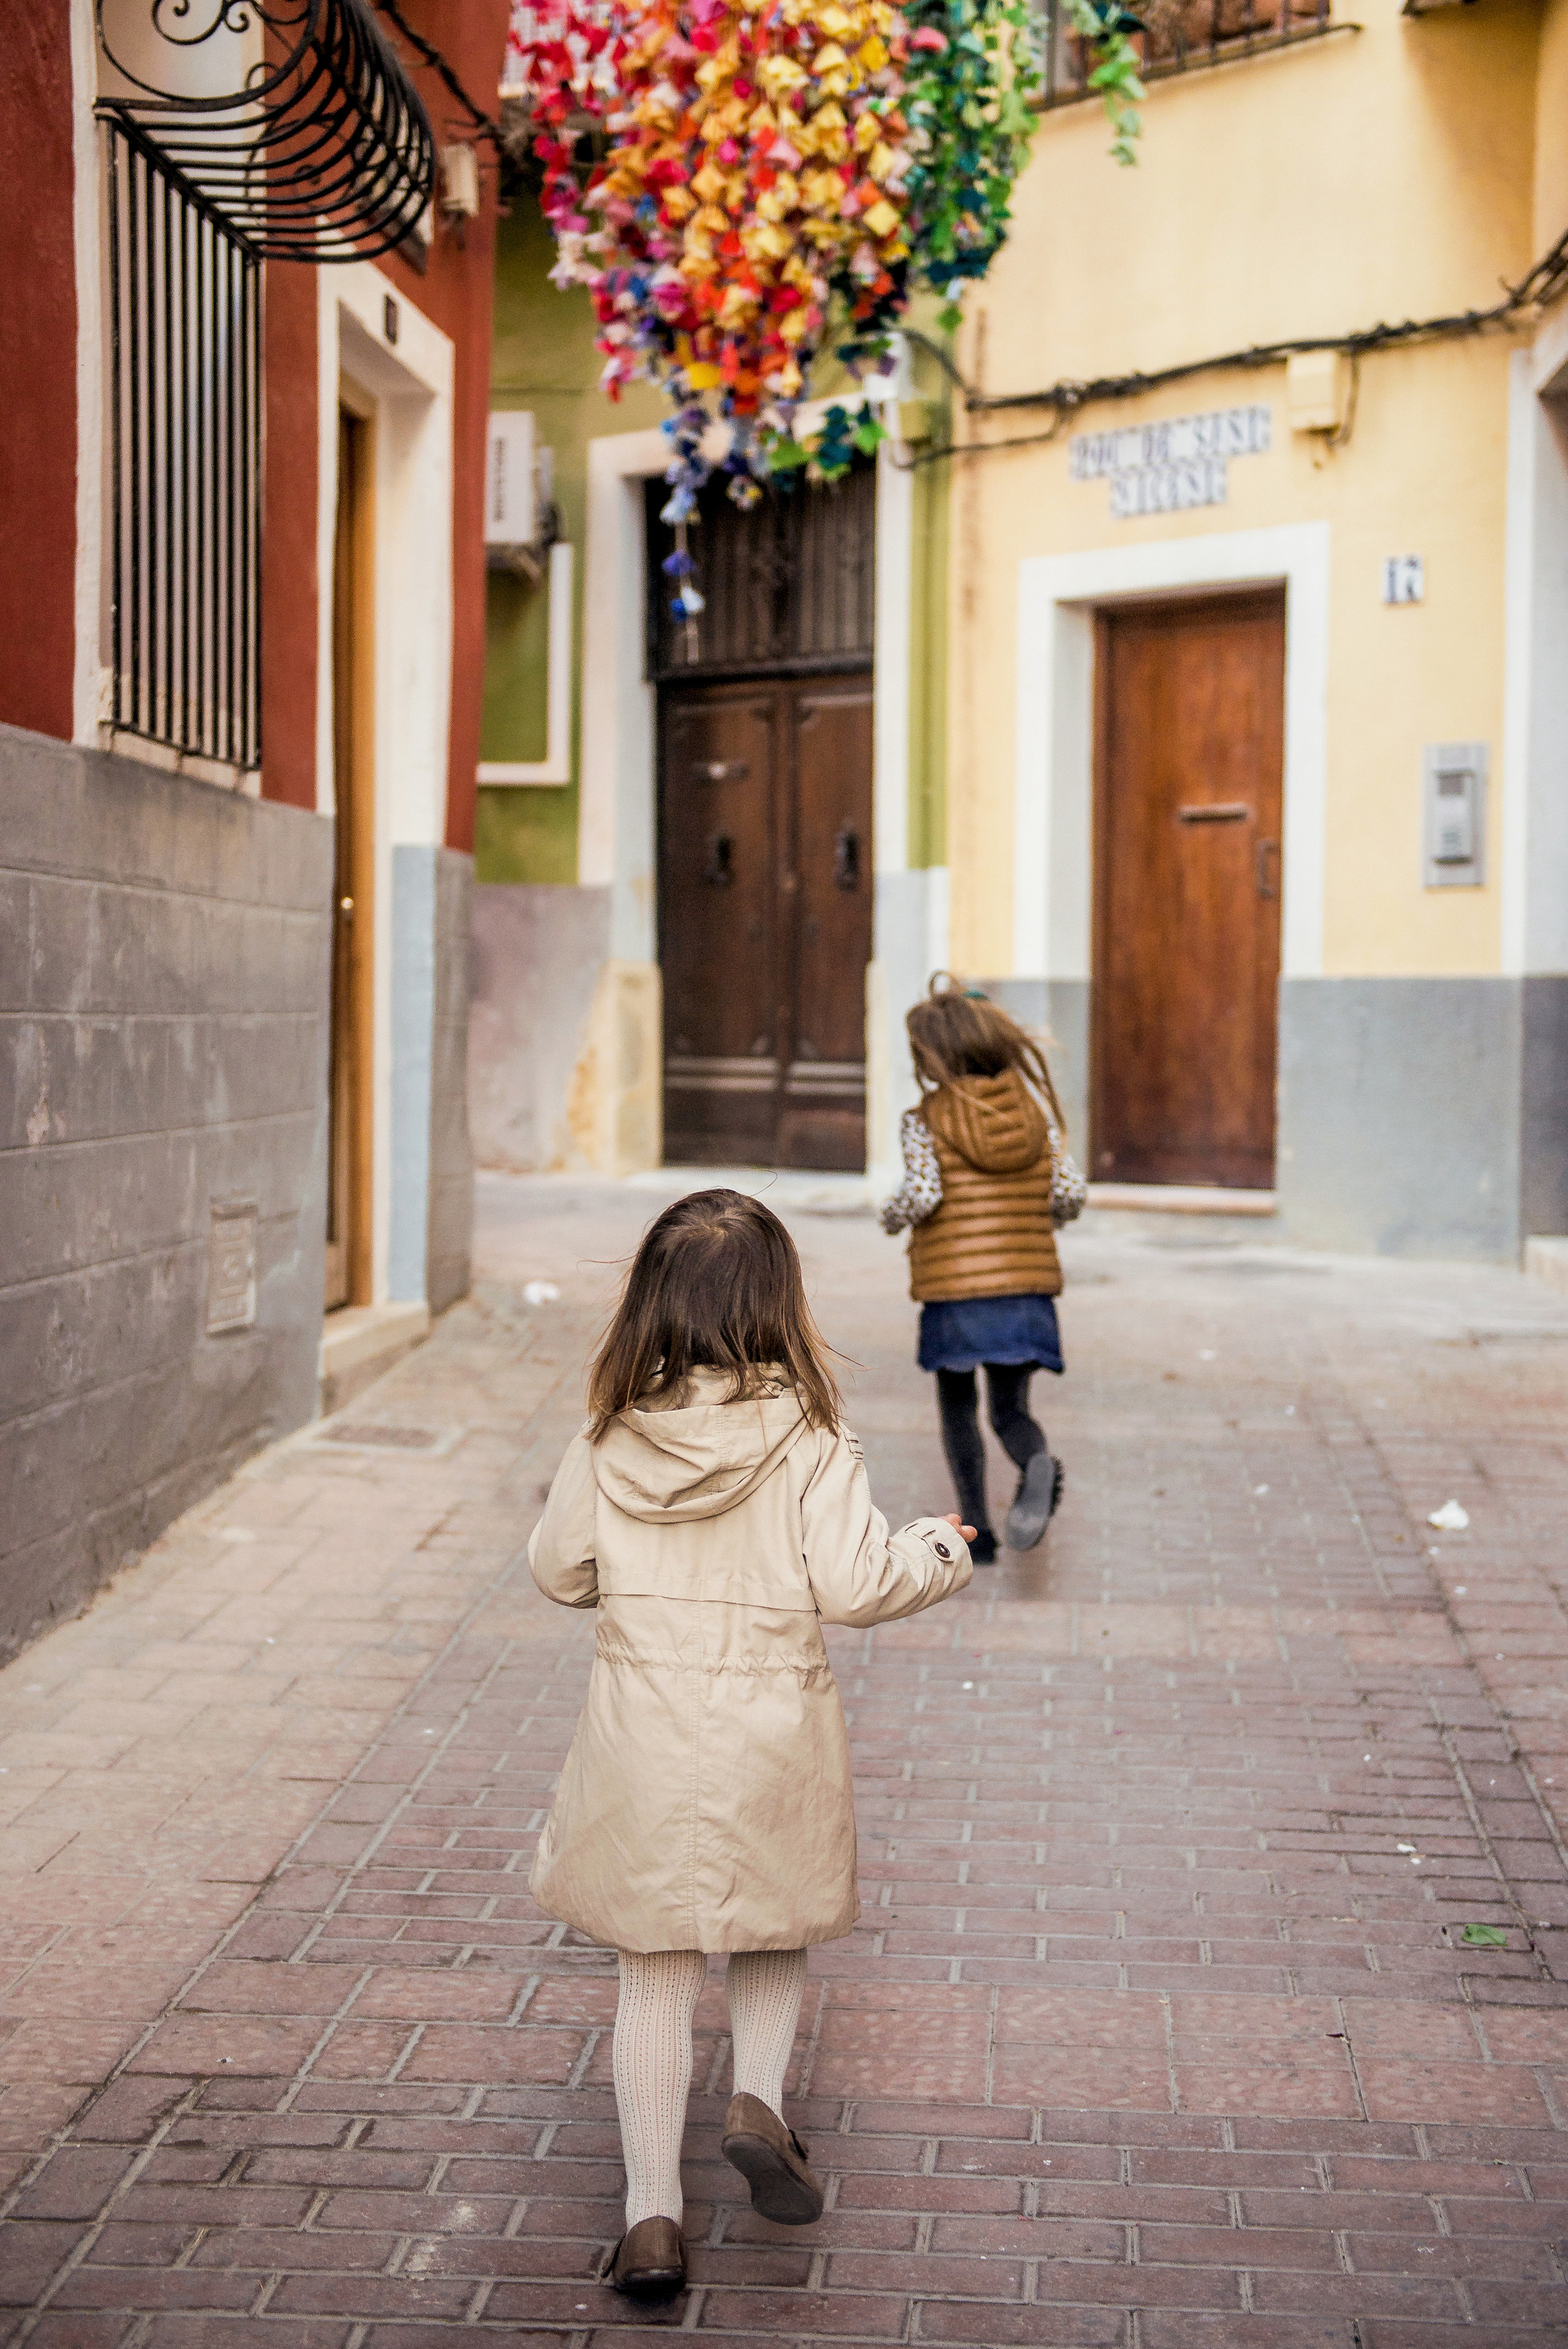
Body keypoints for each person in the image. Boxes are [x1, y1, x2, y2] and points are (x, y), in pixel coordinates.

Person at [527, 1189, 973, 2301]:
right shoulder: (811, 1434)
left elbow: (557, 1568)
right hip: (773, 1727)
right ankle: (759, 2101)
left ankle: (649, 2219)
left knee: (654, 1967)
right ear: (779, 1301)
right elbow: (859, 1583)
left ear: (650, 1302)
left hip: (641, 1728)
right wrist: (940, 1548)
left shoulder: (609, 1429)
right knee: (773, 1927)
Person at [880, 976, 1086, 1562]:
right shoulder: (1032, 1114)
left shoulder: (924, 1120)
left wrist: (890, 1218)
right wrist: (1044, 1218)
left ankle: (978, 1531)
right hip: (1025, 1294)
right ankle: (1037, 1462)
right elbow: (1069, 1191)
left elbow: (922, 1195)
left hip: (956, 1295)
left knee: (957, 1408)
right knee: (1011, 1411)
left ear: (939, 1056)